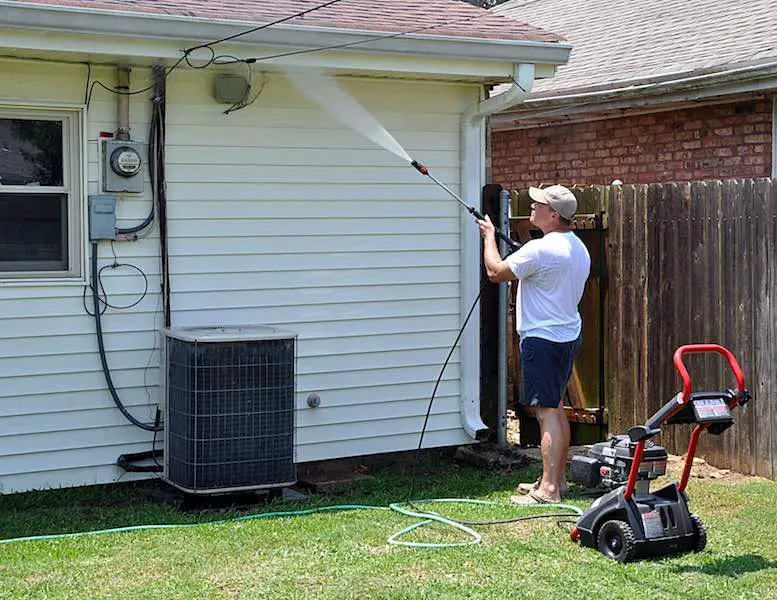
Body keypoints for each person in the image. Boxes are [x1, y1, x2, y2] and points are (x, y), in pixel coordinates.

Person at [478, 185, 590, 504]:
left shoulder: (540, 249)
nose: (531, 206)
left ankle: (548, 491)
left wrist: (489, 236)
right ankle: (557, 480)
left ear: (553, 214)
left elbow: (495, 271)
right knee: (556, 409)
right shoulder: (577, 246)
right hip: (568, 336)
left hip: (543, 340)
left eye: (537, 204)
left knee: (546, 414)